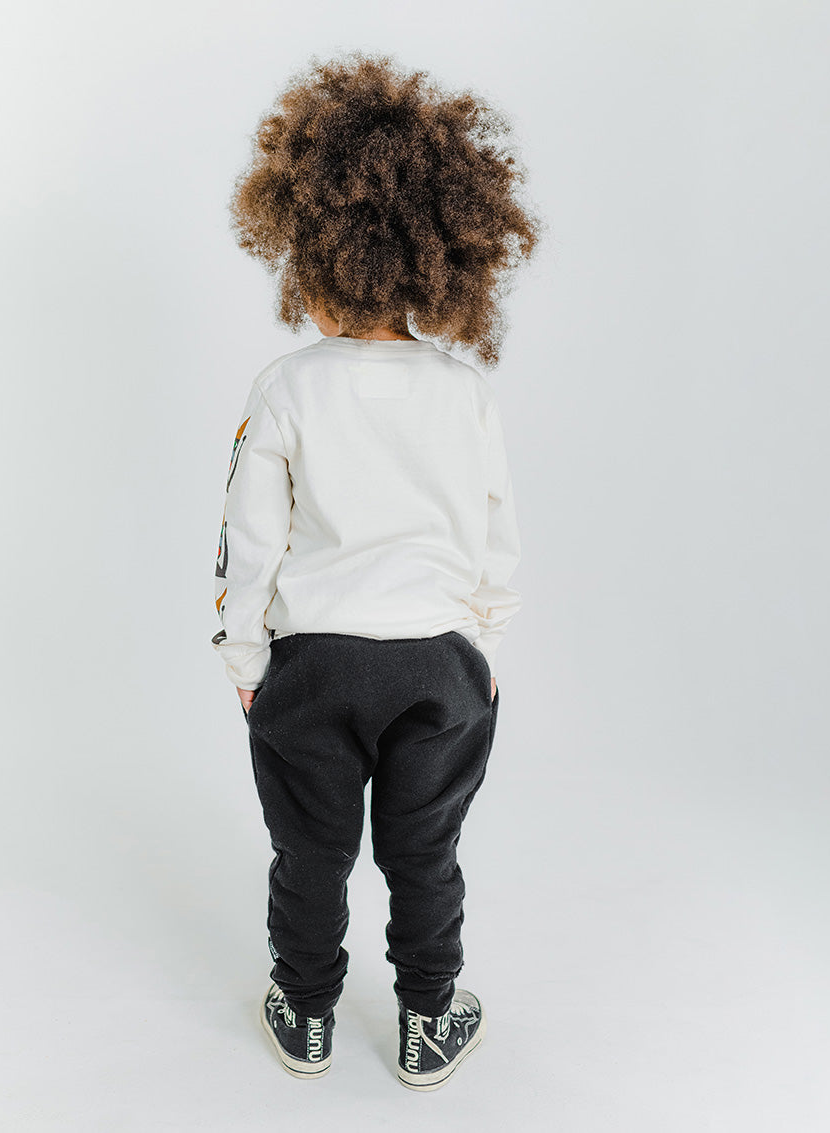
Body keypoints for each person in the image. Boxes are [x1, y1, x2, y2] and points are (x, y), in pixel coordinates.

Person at [211, 50, 543, 1090]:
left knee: (310, 849)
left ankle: (306, 1012)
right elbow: (495, 535)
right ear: (434, 259)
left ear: (310, 253)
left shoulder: (286, 387)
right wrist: (482, 642)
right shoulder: (464, 392)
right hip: (439, 662)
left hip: (313, 663)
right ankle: (429, 1019)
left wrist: (245, 657)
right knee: (423, 849)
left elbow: (249, 541)